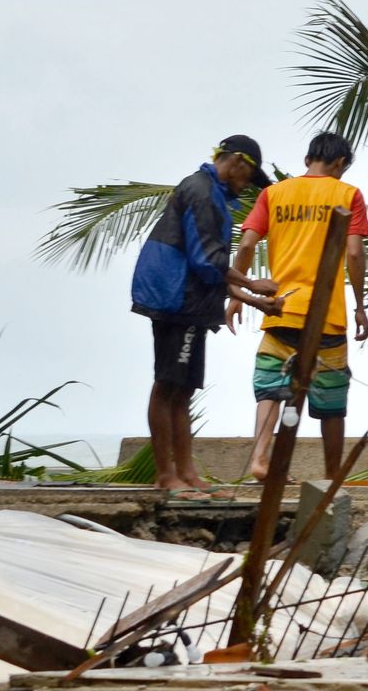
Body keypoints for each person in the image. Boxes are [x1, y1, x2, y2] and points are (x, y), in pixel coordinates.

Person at [130, 136, 283, 498]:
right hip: (176, 299)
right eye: (248, 177)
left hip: (190, 300)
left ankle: (187, 473)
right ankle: (167, 476)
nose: (246, 186)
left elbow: (208, 268)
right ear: (238, 163)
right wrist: (252, 285)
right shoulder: (201, 192)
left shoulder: (211, 193)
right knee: (167, 386)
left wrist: (254, 300)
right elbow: (207, 260)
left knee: (182, 389)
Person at [229, 132, 368, 482]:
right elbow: (354, 253)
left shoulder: (273, 194)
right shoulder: (348, 194)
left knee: (270, 388)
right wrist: (359, 305)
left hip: (281, 308)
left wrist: (236, 291)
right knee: (331, 400)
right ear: (340, 164)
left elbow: (246, 245)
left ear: (309, 159)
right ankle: (332, 474)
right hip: (327, 315)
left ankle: (260, 459)